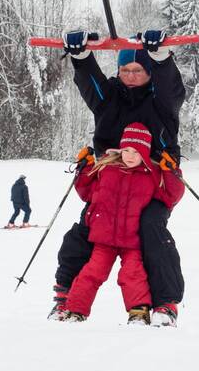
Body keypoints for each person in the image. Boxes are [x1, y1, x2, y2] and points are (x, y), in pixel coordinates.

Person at [51, 29, 188, 327]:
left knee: (150, 226)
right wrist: (81, 56)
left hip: (153, 179)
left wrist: (161, 58)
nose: (130, 76)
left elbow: (172, 89)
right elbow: (92, 86)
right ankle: (65, 297)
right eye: (124, 69)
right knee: (87, 227)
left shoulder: (160, 100)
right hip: (111, 178)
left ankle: (165, 304)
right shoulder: (109, 96)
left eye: (138, 69)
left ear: (148, 71)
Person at [59, 123, 185, 324]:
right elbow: (86, 192)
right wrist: (85, 167)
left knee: (132, 275)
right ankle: (75, 311)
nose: (130, 156)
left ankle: (138, 312)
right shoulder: (107, 169)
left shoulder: (151, 174)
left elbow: (171, 195)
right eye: (126, 150)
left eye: (136, 151)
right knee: (91, 273)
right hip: (104, 239)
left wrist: (170, 171)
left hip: (131, 241)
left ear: (145, 152)